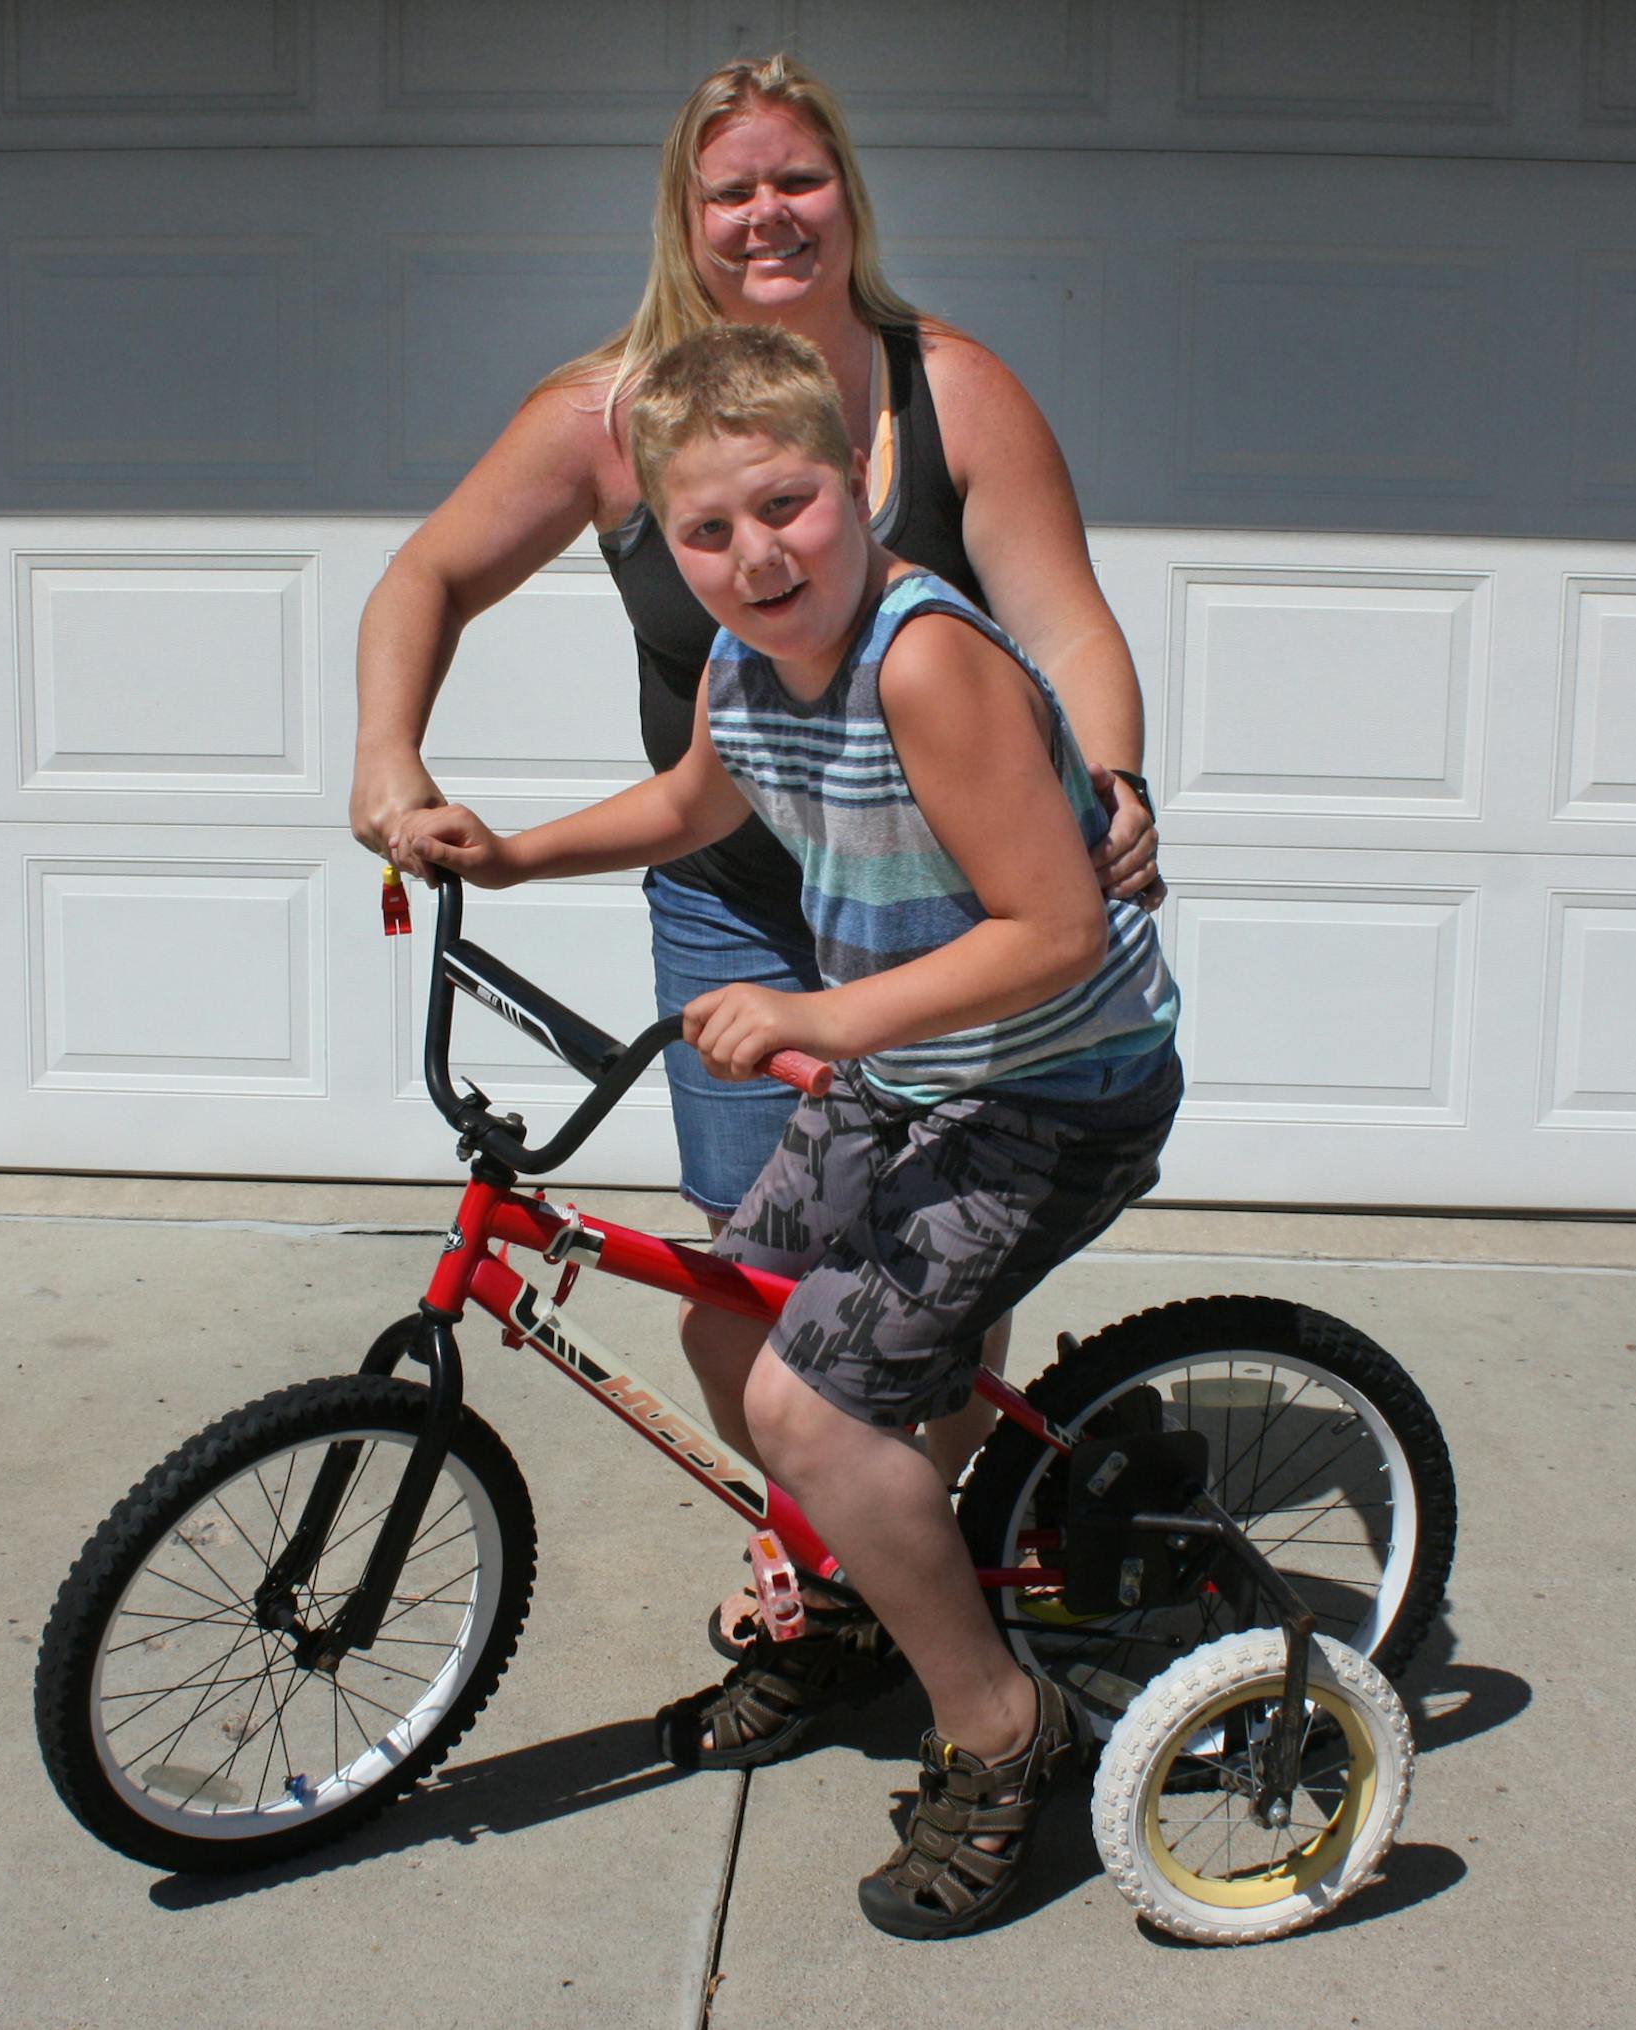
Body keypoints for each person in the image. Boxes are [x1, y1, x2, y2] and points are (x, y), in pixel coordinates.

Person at [394, 323, 1181, 1939]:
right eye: (708, 530)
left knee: (815, 1412)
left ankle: (999, 1727)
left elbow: (1055, 932)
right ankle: (848, 1606)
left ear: (857, 479)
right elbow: (701, 797)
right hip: (917, 1067)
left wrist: (819, 1019)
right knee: (722, 1320)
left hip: (1051, 1085)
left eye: (791, 503)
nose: (758, 553)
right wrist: (519, 856)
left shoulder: (920, 658)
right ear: (669, 544)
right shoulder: (754, 663)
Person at [354, 56, 1165, 1601]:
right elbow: (426, 578)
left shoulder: (950, 392)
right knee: (753, 1267)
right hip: (737, 891)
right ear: (685, 218)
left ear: (848, 194)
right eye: (729, 190)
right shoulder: (611, 414)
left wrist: (1112, 784)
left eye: (799, 178)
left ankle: (897, 1558)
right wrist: (392, 764)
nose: (767, 215)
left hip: (948, 903)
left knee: (924, 1257)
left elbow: (1067, 626)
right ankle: (827, 1534)